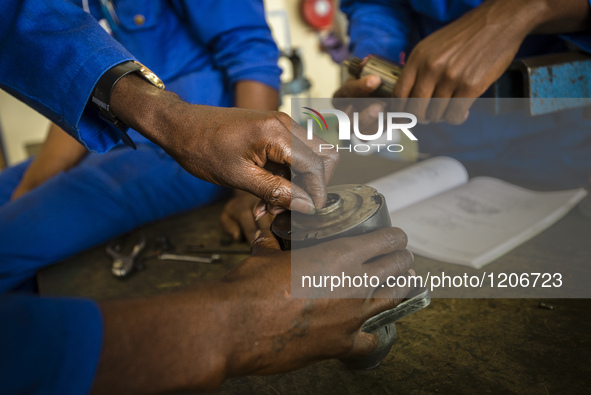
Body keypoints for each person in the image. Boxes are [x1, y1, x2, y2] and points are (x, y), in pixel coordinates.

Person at [0, 1, 414, 393]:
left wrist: (181, 127)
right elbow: (57, 51)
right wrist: (36, 182)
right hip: (122, 131)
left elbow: (30, 20)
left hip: (173, 145)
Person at [0, 0, 282, 293]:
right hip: (117, 137)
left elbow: (252, 55)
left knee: (7, 246)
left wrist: (249, 187)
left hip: (183, 154)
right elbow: (83, 80)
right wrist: (32, 183)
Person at [336, 0, 591, 187]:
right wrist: (379, 66)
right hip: (446, 140)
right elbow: (377, 4)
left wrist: (520, 10)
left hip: (566, 138)